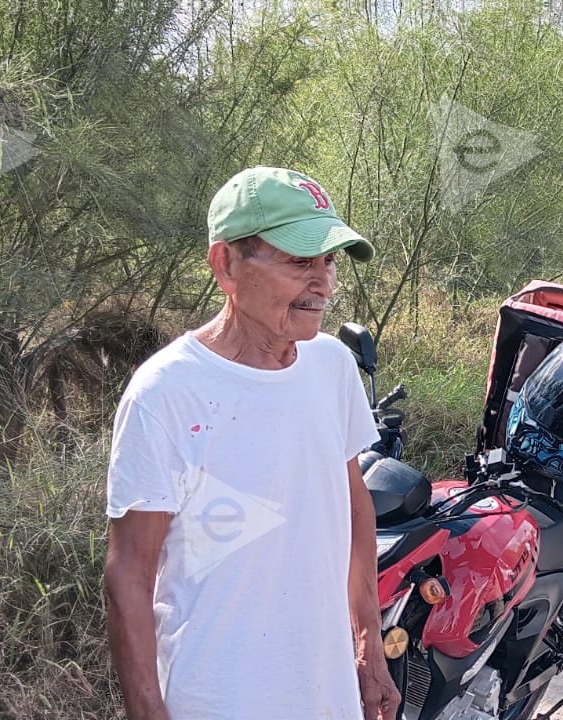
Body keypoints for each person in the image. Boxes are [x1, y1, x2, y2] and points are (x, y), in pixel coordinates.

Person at [103, 166, 400, 720]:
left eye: (329, 261)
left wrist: (367, 644)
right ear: (227, 265)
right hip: (217, 697)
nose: (325, 283)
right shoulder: (167, 392)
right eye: (300, 262)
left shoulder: (332, 367)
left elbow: (354, 503)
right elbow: (130, 572)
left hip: (324, 690)